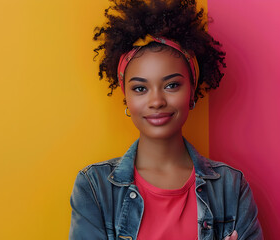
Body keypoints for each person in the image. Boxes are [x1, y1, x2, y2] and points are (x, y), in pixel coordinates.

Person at [69, 0, 263, 239]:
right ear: (126, 98)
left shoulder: (232, 187)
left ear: (191, 90)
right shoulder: (94, 187)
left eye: (172, 85)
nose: (157, 101)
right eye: (140, 89)